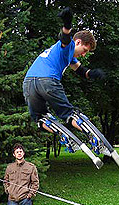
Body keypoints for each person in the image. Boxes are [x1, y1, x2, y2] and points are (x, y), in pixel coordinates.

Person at [23, 7, 106, 136]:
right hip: (47, 81)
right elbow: (65, 39)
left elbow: (81, 71)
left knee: (40, 118)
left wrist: (93, 73)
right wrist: (67, 25)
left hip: (28, 84)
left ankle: (63, 135)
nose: (84, 54)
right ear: (78, 42)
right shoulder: (69, 46)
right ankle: (91, 136)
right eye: (84, 50)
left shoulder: (67, 56)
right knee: (68, 113)